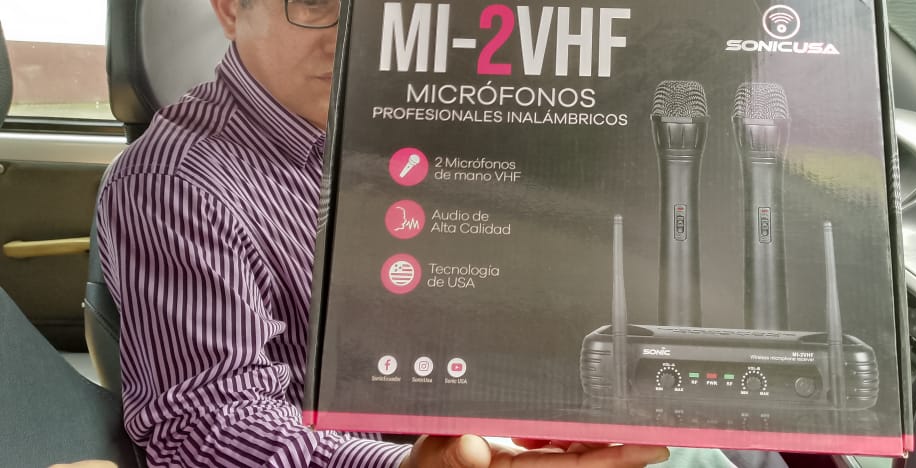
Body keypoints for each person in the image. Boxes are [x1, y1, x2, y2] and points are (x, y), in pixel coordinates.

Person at [94, 0, 674, 466]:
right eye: (315, 3)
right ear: (228, 8)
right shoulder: (175, 185)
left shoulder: (426, 129)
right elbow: (207, 426)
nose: (359, 33)